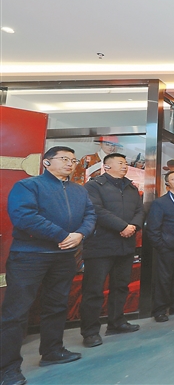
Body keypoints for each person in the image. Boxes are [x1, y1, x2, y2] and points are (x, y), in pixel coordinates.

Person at [0, 147, 96, 385]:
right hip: (29, 256)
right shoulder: (28, 186)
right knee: (16, 312)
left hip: (64, 257)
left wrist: (81, 234)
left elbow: (90, 215)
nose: (70, 163)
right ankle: (7, 368)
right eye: (64, 159)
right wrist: (62, 235)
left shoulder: (79, 190)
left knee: (57, 305)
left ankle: (52, 351)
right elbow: (24, 216)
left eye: (73, 160)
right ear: (46, 162)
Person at [80, 153, 144, 348]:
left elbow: (140, 210)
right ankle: (90, 332)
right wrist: (122, 226)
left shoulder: (131, 187)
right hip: (100, 245)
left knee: (121, 286)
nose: (125, 166)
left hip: (125, 245)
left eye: (125, 163)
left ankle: (117, 322)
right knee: (94, 290)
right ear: (106, 166)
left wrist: (133, 226)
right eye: (120, 163)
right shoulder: (94, 186)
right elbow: (96, 210)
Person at [145, 171, 174, 323]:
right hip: (167, 247)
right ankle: (160, 309)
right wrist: (161, 245)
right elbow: (153, 227)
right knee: (164, 279)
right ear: (167, 184)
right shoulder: (161, 203)